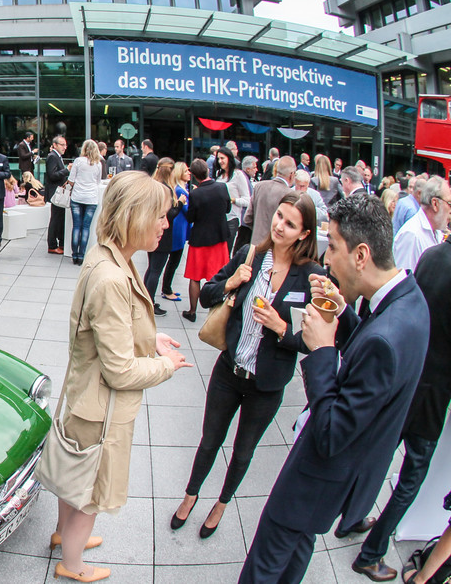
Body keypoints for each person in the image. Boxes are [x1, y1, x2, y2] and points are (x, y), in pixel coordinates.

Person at [239, 196, 428, 584]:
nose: (327, 260)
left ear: (361, 255)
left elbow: (330, 432)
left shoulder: (387, 337)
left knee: (264, 566)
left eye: (335, 247)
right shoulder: (410, 299)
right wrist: (342, 313)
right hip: (334, 486)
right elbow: (375, 358)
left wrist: (322, 349)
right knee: (294, 556)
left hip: (317, 478)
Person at [50, 170, 191, 583]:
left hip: (84, 396)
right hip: (100, 410)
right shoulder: (113, 276)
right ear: (135, 216)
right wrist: (166, 365)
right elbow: (120, 370)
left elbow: (111, 328)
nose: (166, 225)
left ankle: (63, 536)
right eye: (160, 216)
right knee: (90, 494)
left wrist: (150, 337)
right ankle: (72, 564)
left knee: (74, 478)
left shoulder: (106, 254)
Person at [173, 192, 322, 538]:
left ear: (304, 233)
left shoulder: (309, 276)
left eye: (290, 224)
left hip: (267, 384)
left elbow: (313, 341)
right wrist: (231, 282)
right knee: (209, 441)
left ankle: (222, 503)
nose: (279, 226)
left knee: (243, 451)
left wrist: (281, 328)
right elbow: (207, 294)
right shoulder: (250, 255)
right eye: (279, 216)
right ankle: (191, 494)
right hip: (229, 371)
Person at [351, 238, 451, 581]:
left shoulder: (432, 255)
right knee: (411, 478)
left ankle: (351, 518)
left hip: (409, 375)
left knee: (376, 456)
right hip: (434, 395)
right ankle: (371, 553)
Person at [182, 159, 231, 323]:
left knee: (195, 277)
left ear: (194, 176)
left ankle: (192, 311)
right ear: (208, 171)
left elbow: (191, 217)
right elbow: (228, 208)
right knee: (219, 275)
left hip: (200, 239)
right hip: (219, 238)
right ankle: (217, 312)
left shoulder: (195, 194)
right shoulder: (222, 187)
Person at [143, 158, 182, 317]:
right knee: (155, 270)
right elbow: (169, 215)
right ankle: (150, 304)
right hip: (162, 234)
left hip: (151, 230)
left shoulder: (153, 185)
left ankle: (146, 300)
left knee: (151, 268)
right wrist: (180, 204)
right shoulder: (166, 190)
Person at [393, 176, 450, 272]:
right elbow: (404, 277)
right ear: (435, 204)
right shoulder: (412, 235)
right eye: (449, 203)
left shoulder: (437, 232)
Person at [244, 156, 296, 246]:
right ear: (292, 174)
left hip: (255, 244)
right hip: (275, 247)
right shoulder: (290, 195)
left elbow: (247, 219)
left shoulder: (259, 186)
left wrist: (258, 230)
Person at [67, 140, 103, 265]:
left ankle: (74, 255)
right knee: (86, 227)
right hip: (91, 198)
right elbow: (98, 182)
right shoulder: (98, 164)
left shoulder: (78, 161)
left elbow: (71, 180)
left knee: (76, 226)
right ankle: (81, 255)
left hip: (77, 197)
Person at [161, 161, 190, 303]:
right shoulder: (179, 190)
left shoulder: (183, 188)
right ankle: (166, 289)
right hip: (178, 229)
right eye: (186, 171)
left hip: (181, 227)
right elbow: (187, 209)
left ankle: (167, 287)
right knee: (174, 260)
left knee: (174, 261)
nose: (189, 173)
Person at [216, 149, 249, 252]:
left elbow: (247, 200)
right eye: (218, 158)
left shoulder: (238, 175)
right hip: (217, 219)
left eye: (222, 158)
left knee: (226, 251)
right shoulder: (219, 174)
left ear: (229, 158)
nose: (220, 161)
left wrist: (232, 200)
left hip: (231, 219)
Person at [46, 135, 70, 254]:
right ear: (55, 145)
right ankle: (52, 245)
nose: (64, 147)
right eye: (62, 145)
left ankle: (60, 243)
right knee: (55, 219)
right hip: (56, 194)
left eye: (65, 145)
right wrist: (67, 170)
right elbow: (52, 175)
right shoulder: (52, 156)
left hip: (59, 192)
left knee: (59, 219)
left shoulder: (57, 156)